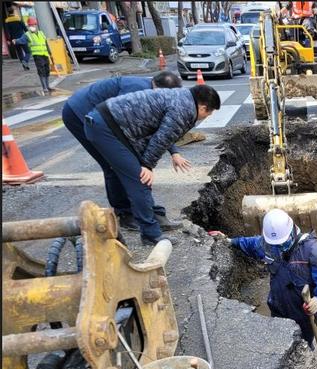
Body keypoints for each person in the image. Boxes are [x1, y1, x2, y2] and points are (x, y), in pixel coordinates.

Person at [83, 84, 221, 245]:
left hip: (110, 125)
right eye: (209, 112)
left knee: (133, 174)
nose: (207, 116)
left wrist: (168, 155)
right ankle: (151, 234)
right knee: (140, 179)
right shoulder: (185, 110)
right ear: (203, 107)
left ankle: (155, 216)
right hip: (106, 129)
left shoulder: (181, 96)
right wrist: (147, 165)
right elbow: (161, 138)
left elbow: (157, 130)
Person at [62, 72, 190, 232]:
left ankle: (148, 211)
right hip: (79, 114)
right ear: (159, 88)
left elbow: (160, 125)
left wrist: (174, 152)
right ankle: (125, 214)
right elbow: (121, 126)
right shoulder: (136, 91)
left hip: (103, 118)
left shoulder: (155, 94)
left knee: (133, 164)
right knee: (113, 164)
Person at [212, 209, 317, 346]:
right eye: (276, 244)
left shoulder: (314, 250)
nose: (280, 248)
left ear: (292, 231)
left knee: (302, 347)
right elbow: (249, 244)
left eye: (282, 243)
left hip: (304, 314)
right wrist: (229, 240)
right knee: (280, 344)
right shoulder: (268, 246)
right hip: (278, 307)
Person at [12, 17, 53, 94]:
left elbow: (46, 43)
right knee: (41, 71)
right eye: (30, 25)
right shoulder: (27, 34)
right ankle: (44, 88)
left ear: (36, 25)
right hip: (37, 56)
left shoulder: (41, 33)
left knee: (47, 70)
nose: (32, 27)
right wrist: (15, 41)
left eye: (33, 25)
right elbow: (22, 40)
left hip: (45, 54)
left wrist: (50, 53)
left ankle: (48, 86)